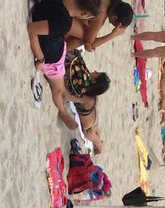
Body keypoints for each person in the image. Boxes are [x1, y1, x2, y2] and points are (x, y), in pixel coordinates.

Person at [28, 0, 102, 129]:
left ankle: (69, 97)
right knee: (58, 90)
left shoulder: (63, 13)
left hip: (56, 47)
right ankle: (63, 112)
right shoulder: (64, 22)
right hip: (52, 60)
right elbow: (32, 29)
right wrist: (40, 59)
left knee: (61, 84)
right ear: (84, 13)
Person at [63, 50, 110, 151]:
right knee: (96, 130)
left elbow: (69, 97)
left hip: (89, 127)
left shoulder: (87, 98)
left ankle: (100, 146)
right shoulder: (89, 88)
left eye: (96, 73)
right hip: (92, 119)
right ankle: (99, 139)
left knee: (92, 136)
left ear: (94, 80)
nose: (95, 71)